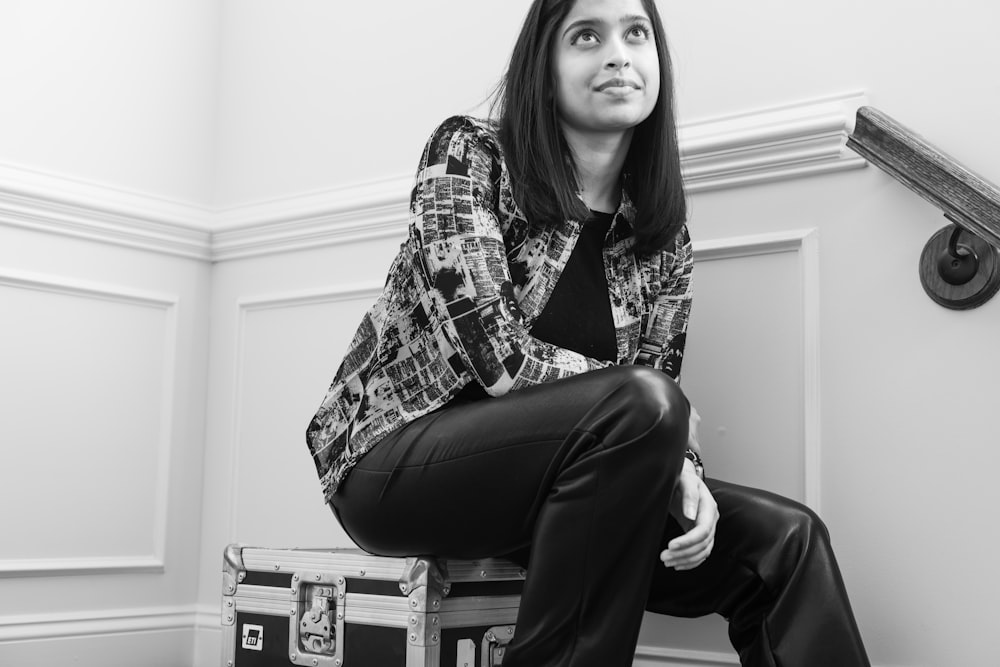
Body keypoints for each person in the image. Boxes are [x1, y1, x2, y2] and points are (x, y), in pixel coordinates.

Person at [306, 0, 871, 665]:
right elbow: (496, 357)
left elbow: (656, 395)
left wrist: (683, 468)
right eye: (585, 36)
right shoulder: (470, 154)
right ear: (544, 70)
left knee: (787, 541)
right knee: (642, 402)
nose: (617, 54)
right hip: (392, 465)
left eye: (636, 33)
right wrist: (662, 414)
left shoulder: (661, 237)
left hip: (562, 493)